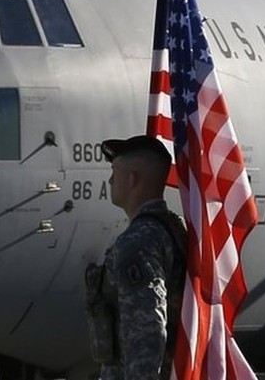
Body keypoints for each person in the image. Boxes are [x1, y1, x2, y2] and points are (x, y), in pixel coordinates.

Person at [84, 135, 187, 380]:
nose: (110, 179)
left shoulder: (137, 242)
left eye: (115, 171)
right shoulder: (173, 230)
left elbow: (146, 326)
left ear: (132, 179)